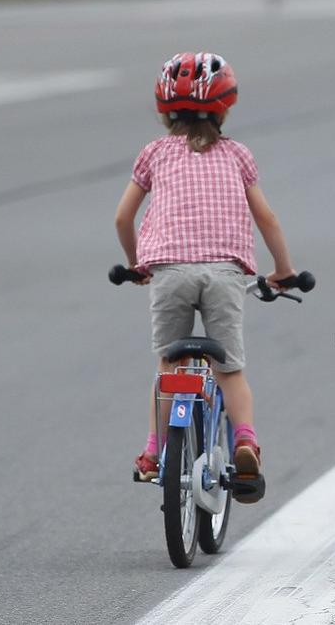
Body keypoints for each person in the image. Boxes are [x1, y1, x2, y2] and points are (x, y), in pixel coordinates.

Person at [115, 52, 299, 489]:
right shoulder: (238, 155)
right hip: (224, 272)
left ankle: (154, 451)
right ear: (226, 107)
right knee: (229, 368)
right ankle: (247, 444)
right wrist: (284, 270)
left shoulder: (153, 153)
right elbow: (267, 218)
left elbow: (124, 217)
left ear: (163, 110)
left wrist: (136, 263)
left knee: (168, 363)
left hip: (169, 271)